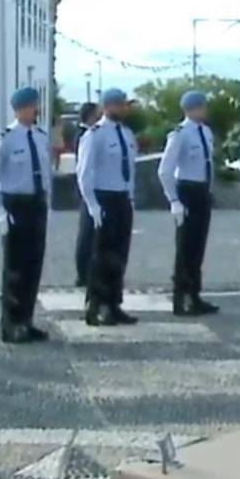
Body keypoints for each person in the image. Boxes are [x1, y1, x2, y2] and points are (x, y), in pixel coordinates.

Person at [0, 86, 51, 343]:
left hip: (36, 205)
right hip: (15, 205)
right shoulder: (5, 139)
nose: (36, 110)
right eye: (32, 106)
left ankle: (26, 320)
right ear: (20, 109)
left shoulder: (41, 137)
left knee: (34, 265)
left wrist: (47, 204)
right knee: (15, 268)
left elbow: (45, 176)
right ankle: (11, 324)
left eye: (36, 105)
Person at [78, 88, 139, 326]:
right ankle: (96, 306)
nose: (124, 109)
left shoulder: (126, 134)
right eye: (120, 105)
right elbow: (84, 173)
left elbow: (130, 170)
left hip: (122, 198)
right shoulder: (95, 135)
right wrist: (92, 204)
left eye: (124, 104)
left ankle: (114, 303)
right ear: (108, 107)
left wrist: (130, 198)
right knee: (100, 256)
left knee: (119, 255)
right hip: (103, 198)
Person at [159, 90, 220, 316]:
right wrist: (173, 199)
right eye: (202, 106)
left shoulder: (205, 132)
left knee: (198, 247)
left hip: (203, 192)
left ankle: (194, 294)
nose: (205, 110)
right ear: (192, 108)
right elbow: (165, 170)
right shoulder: (180, 134)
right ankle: (180, 298)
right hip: (187, 190)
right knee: (185, 248)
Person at [73, 102, 101, 287]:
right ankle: (83, 273)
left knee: (90, 233)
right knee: (87, 233)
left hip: (90, 186)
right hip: (89, 187)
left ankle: (88, 270)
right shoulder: (85, 135)